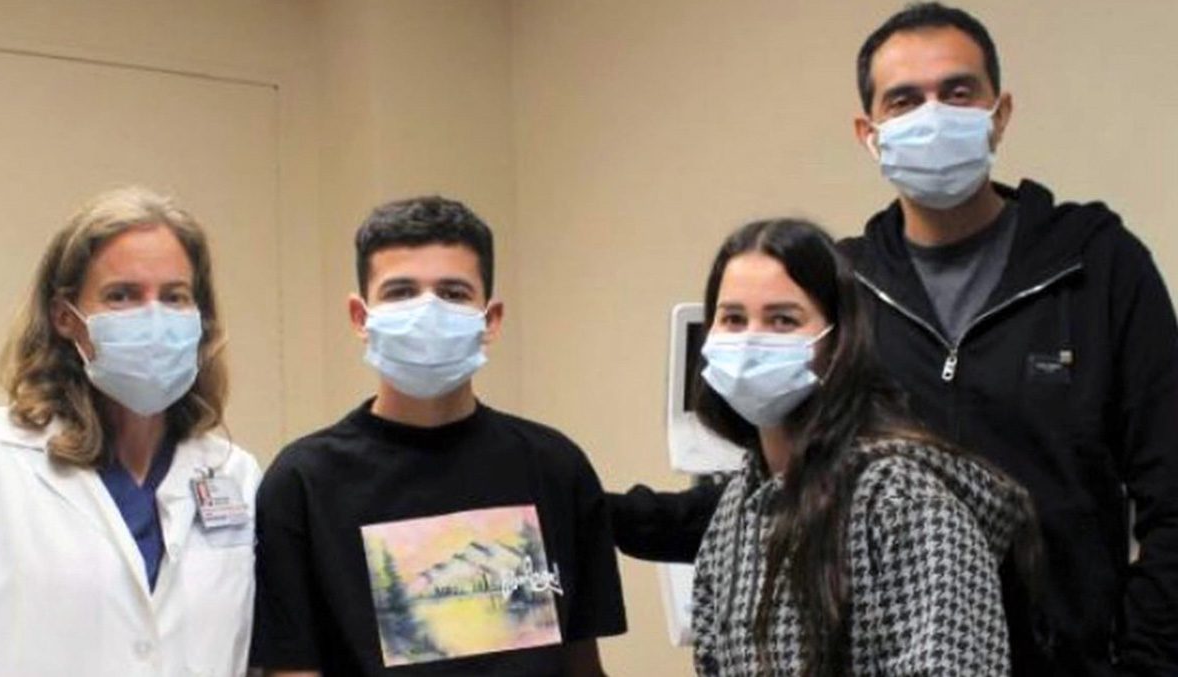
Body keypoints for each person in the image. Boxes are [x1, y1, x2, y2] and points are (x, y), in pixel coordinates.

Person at [614, 3, 1178, 674]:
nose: (932, 114)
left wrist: (1146, 664)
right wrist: (596, 513)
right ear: (869, 131)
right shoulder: (845, 289)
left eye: (957, 91)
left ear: (998, 114)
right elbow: (789, 484)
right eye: (904, 100)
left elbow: (1171, 492)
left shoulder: (1096, 266)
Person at [249, 196, 626, 676]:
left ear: (490, 319)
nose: (426, 310)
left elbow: (583, 666)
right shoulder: (303, 483)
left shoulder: (555, 466)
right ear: (361, 318)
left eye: (452, 293)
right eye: (401, 292)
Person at [688, 217, 1034, 675]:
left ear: (837, 341)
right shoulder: (738, 506)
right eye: (733, 318)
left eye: (783, 320)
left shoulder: (904, 505)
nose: (752, 340)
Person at [0, 186, 261, 677]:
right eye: (122, 296)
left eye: (174, 297)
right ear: (66, 317)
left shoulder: (235, 475)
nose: (153, 317)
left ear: (200, 319)